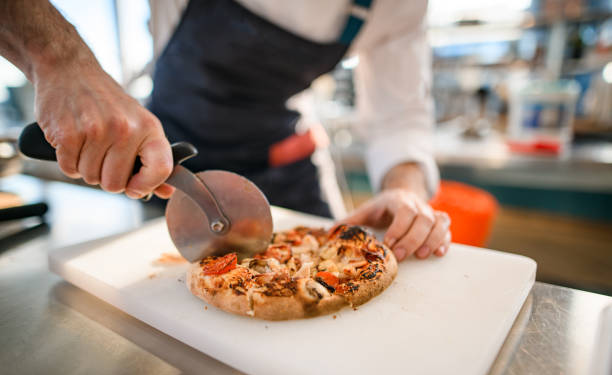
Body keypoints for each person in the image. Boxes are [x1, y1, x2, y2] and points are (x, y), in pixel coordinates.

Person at [0, 0, 450, 261]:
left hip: (287, 171)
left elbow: (400, 115)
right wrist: (60, 59)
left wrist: (405, 189)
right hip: (160, 166)